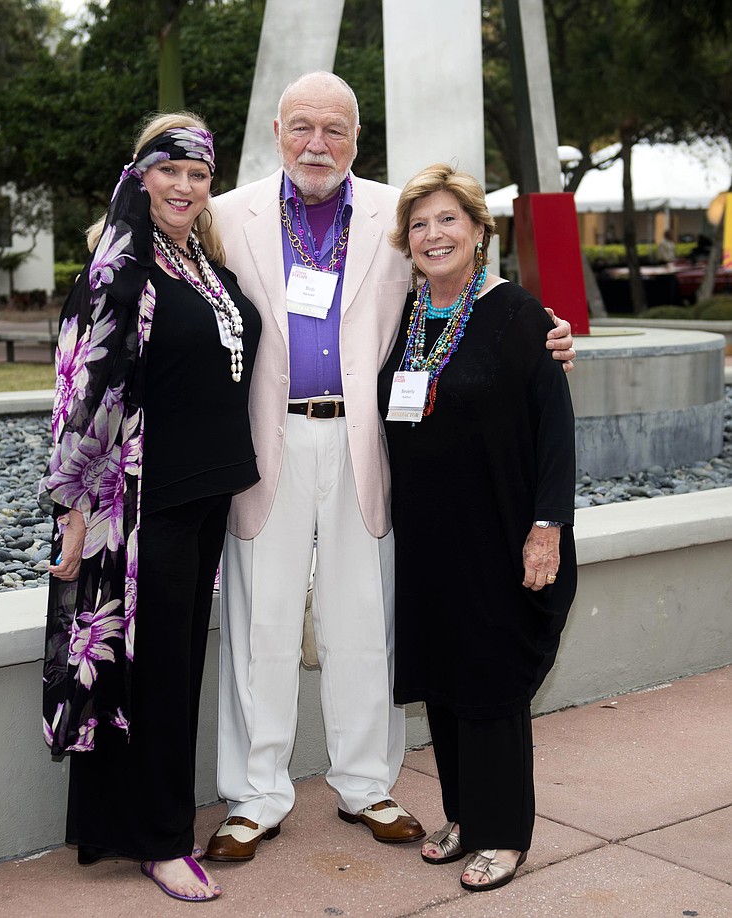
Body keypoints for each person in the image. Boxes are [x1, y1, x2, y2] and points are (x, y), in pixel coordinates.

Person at [205, 71, 576, 863]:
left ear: (357, 139)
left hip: (367, 443)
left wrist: (548, 331)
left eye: (334, 130)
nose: (317, 144)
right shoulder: (227, 215)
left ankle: (366, 784)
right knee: (258, 623)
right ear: (277, 131)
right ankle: (254, 795)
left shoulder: (393, 216)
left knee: (363, 622)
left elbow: (464, 288)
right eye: (302, 126)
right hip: (267, 444)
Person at [39, 112, 262, 902]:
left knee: (164, 669)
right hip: (145, 502)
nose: (185, 185)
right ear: (141, 175)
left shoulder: (199, 256)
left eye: (199, 174)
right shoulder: (119, 265)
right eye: (170, 170)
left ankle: (112, 823)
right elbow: (83, 389)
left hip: (203, 496)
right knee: (160, 676)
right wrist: (71, 507)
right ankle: (162, 841)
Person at [377, 163, 578, 893]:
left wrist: (546, 527)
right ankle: (462, 814)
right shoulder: (405, 317)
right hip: (429, 536)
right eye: (420, 224)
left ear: (479, 232)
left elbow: (555, 431)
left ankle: (504, 833)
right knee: (445, 676)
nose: (433, 235)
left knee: (491, 680)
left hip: (501, 529)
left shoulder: (521, 315)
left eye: (448, 220)